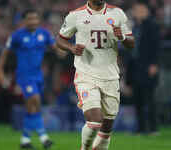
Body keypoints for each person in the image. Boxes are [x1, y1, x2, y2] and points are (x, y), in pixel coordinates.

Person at [57, 0, 135, 150]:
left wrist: (123, 38)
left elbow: (131, 43)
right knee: (94, 121)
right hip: (86, 75)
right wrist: (71, 48)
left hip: (110, 76)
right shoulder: (75, 15)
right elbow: (60, 39)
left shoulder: (117, 13)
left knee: (107, 127)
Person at [0, 9, 58, 149]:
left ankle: (25, 140)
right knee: (35, 100)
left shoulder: (44, 34)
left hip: (38, 76)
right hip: (24, 76)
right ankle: (44, 138)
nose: (33, 21)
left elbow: (55, 47)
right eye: (30, 19)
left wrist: (63, 50)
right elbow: (4, 53)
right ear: (24, 21)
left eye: (35, 19)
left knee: (32, 107)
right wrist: (1, 72)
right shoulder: (17, 36)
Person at [126, 3, 160, 135]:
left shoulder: (152, 26)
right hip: (135, 66)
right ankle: (140, 128)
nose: (137, 12)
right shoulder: (134, 27)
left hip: (147, 66)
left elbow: (156, 46)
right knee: (138, 99)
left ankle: (153, 128)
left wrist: (154, 64)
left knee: (149, 98)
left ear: (146, 11)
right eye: (136, 9)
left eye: (140, 9)